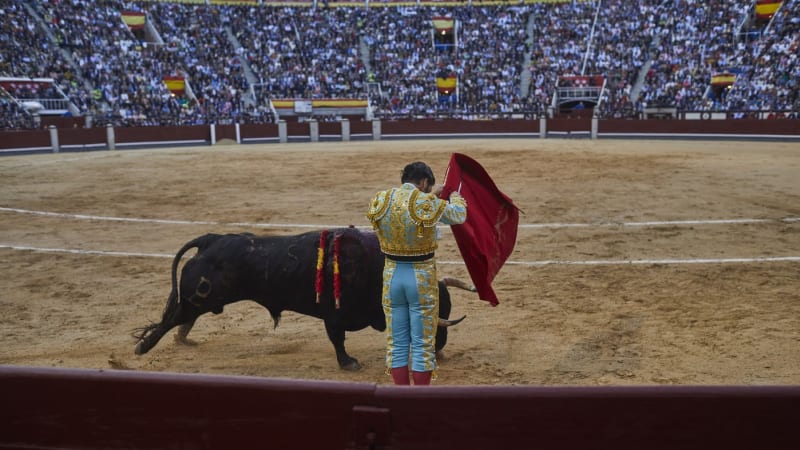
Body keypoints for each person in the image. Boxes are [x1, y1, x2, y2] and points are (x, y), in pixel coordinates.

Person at [366, 161, 467, 385]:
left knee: (397, 343)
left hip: (392, 277)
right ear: (423, 182)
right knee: (422, 345)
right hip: (419, 278)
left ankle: (401, 397)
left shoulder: (381, 199)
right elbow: (459, 215)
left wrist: (431, 196)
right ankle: (419, 401)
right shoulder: (426, 202)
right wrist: (454, 195)